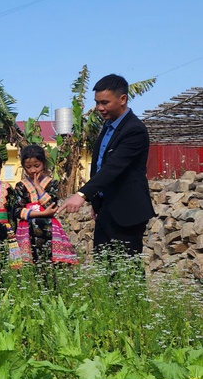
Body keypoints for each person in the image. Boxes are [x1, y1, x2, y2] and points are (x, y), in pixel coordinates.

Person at [58, 74, 154, 256]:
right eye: (97, 103)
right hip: (105, 209)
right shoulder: (108, 126)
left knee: (127, 272)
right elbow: (98, 165)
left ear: (123, 99)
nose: (100, 108)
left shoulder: (134, 130)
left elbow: (113, 168)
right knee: (104, 270)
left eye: (105, 102)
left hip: (127, 211)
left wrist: (82, 194)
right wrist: (96, 201)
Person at [13, 144, 78, 265]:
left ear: (43, 163)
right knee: (28, 264)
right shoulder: (20, 186)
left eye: (37, 166)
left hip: (48, 228)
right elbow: (17, 210)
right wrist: (43, 213)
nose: (33, 170)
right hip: (26, 229)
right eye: (28, 167)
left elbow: (52, 205)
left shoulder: (52, 184)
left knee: (50, 262)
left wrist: (38, 187)